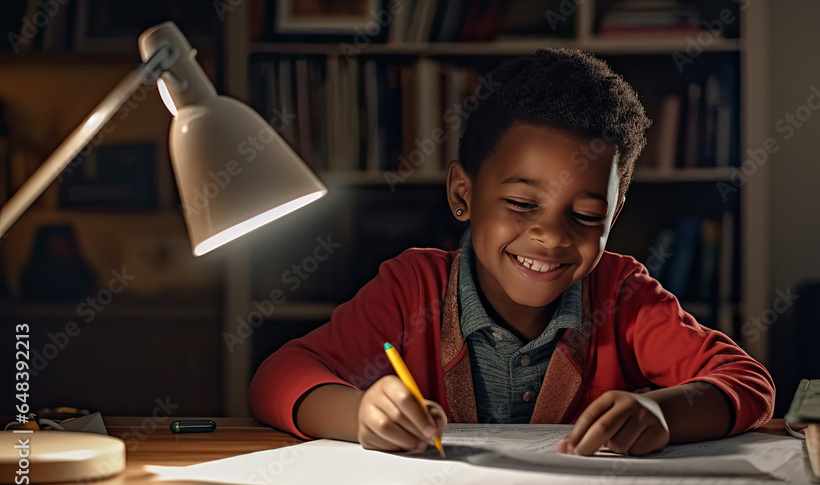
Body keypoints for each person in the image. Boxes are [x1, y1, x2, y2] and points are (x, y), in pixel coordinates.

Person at [249, 48, 774, 456]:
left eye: (587, 215)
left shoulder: (623, 295)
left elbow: (747, 382)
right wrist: (361, 413)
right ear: (463, 194)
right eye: (523, 203)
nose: (551, 235)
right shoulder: (413, 289)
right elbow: (279, 374)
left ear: (612, 219)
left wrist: (660, 413)